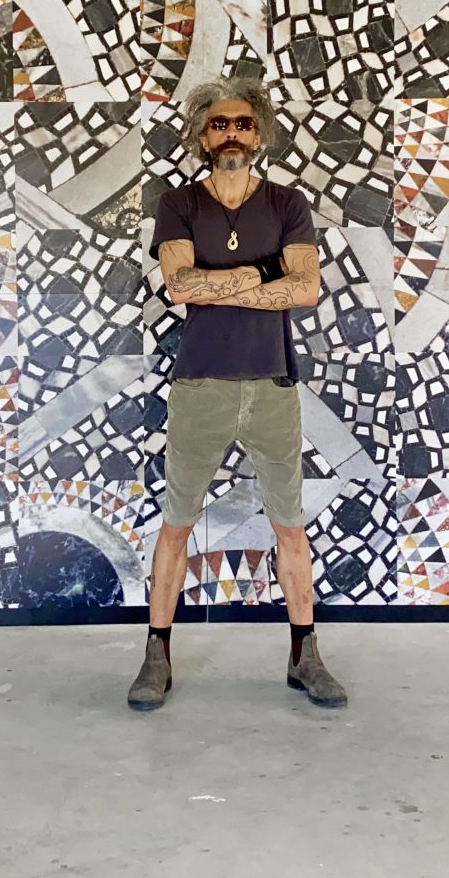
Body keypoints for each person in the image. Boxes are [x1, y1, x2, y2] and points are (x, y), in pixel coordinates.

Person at [128, 77, 347, 711]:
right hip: (200, 384)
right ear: (202, 136)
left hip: (273, 384)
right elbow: (180, 287)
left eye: (243, 124)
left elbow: (306, 290)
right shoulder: (179, 204)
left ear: (259, 135)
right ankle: (156, 655)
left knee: (290, 527)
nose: (232, 133)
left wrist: (222, 281)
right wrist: (263, 271)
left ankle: (305, 655)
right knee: (176, 524)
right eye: (220, 123)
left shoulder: (286, 203)